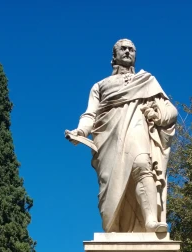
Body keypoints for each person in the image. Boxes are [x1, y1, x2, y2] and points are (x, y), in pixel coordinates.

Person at [66, 39, 177, 233]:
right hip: (107, 139)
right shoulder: (100, 86)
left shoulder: (147, 81)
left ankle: (150, 219)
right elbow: (90, 114)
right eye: (122, 49)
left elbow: (171, 110)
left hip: (136, 128)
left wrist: (156, 115)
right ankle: (113, 227)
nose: (127, 52)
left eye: (131, 49)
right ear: (114, 56)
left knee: (143, 165)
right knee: (111, 185)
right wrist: (81, 131)